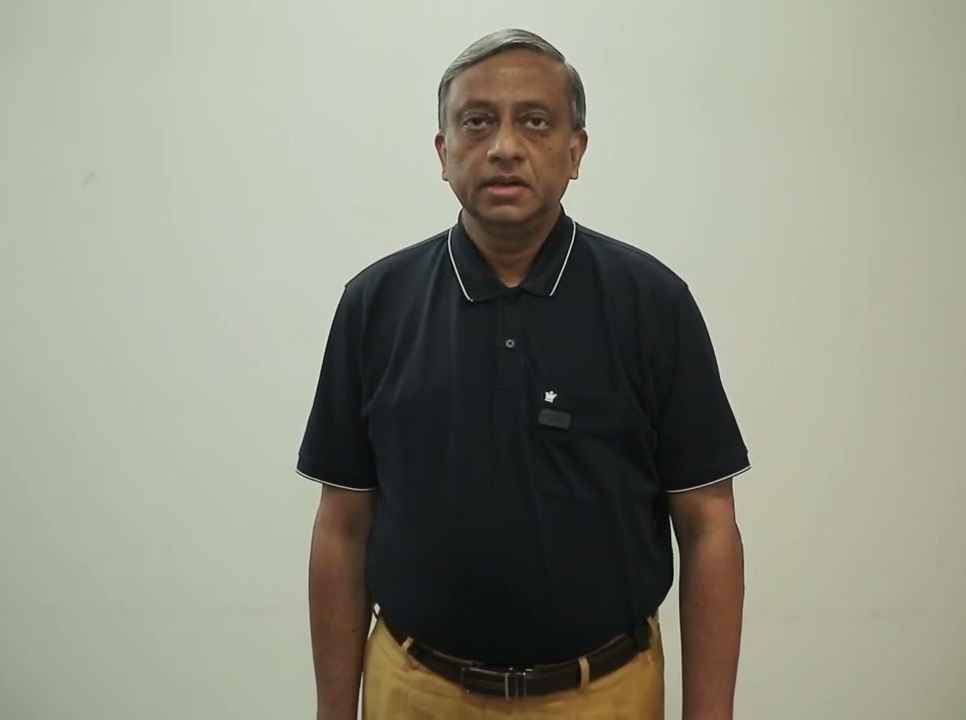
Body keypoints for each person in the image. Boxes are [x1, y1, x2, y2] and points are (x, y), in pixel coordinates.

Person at [298, 27, 751, 720]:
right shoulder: (376, 305)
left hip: (605, 695)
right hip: (415, 692)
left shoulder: (651, 304)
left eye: (535, 122)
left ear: (576, 152)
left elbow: (709, 524)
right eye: (477, 122)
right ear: (443, 152)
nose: (505, 146)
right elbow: (342, 527)